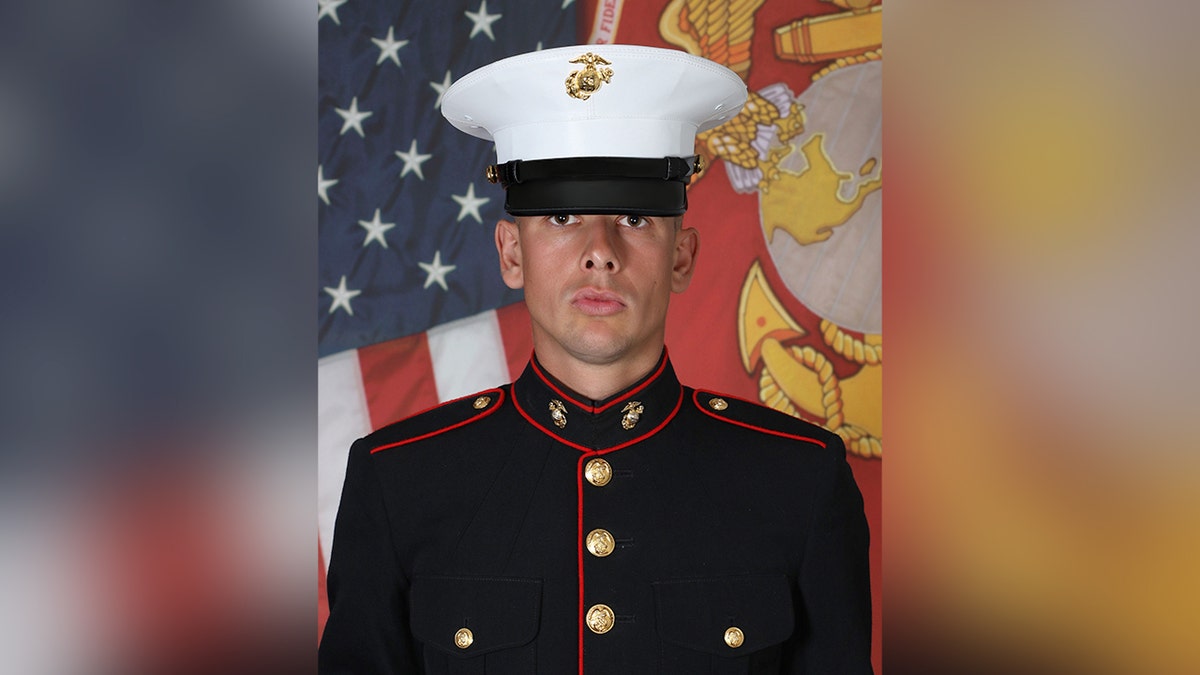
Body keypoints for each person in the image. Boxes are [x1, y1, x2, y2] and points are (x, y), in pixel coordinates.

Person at [319, 44, 872, 674]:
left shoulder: (798, 481)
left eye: (635, 217)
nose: (600, 252)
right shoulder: (400, 483)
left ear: (681, 256)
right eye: (560, 216)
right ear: (511, 254)